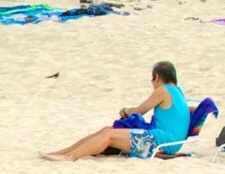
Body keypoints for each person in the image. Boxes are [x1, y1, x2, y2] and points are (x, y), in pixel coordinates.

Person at [42, 62, 191, 161]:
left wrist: (126, 110)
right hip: (169, 142)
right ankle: (62, 152)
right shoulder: (178, 92)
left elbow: (139, 111)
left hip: (160, 143)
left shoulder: (163, 90)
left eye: (152, 80)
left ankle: (70, 156)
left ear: (157, 77)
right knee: (107, 130)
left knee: (108, 134)